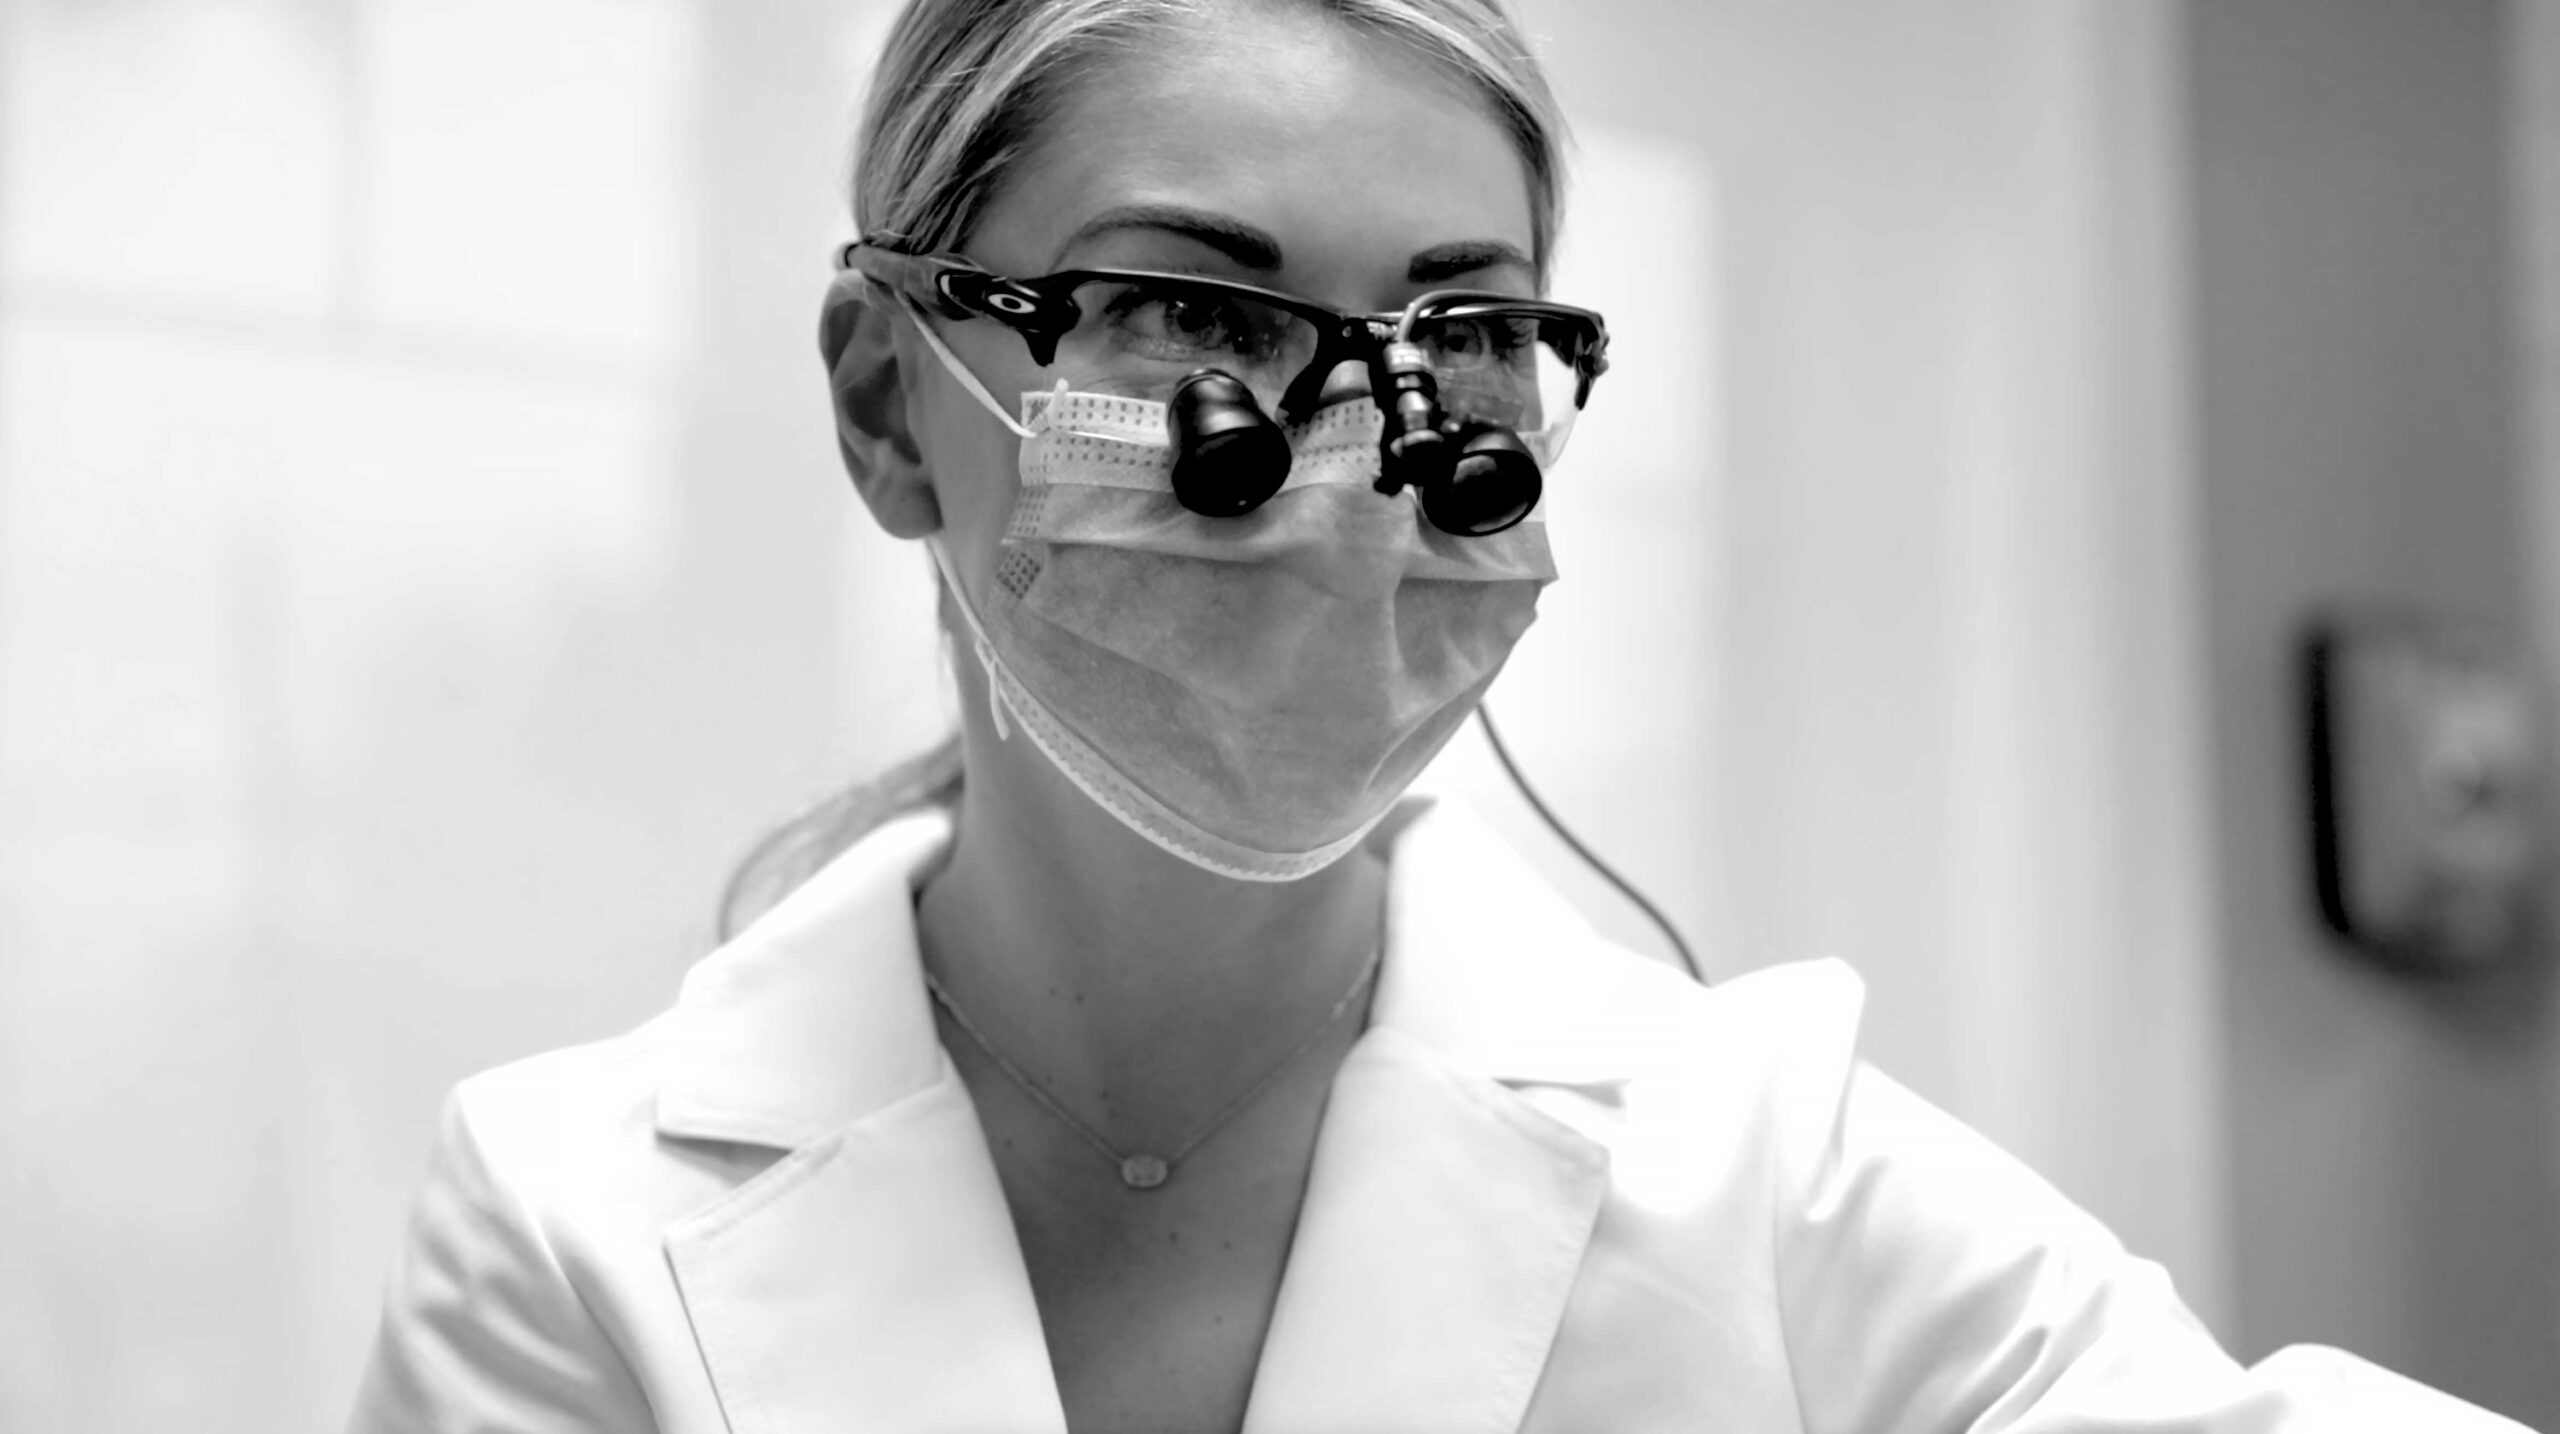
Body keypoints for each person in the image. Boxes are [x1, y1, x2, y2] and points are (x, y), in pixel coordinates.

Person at [346, 1, 2540, 1430]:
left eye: (1457, 337)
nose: (1336, 470)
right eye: (1193, 311)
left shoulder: (1758, 1163)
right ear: (884, 400)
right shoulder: (565, 1224)